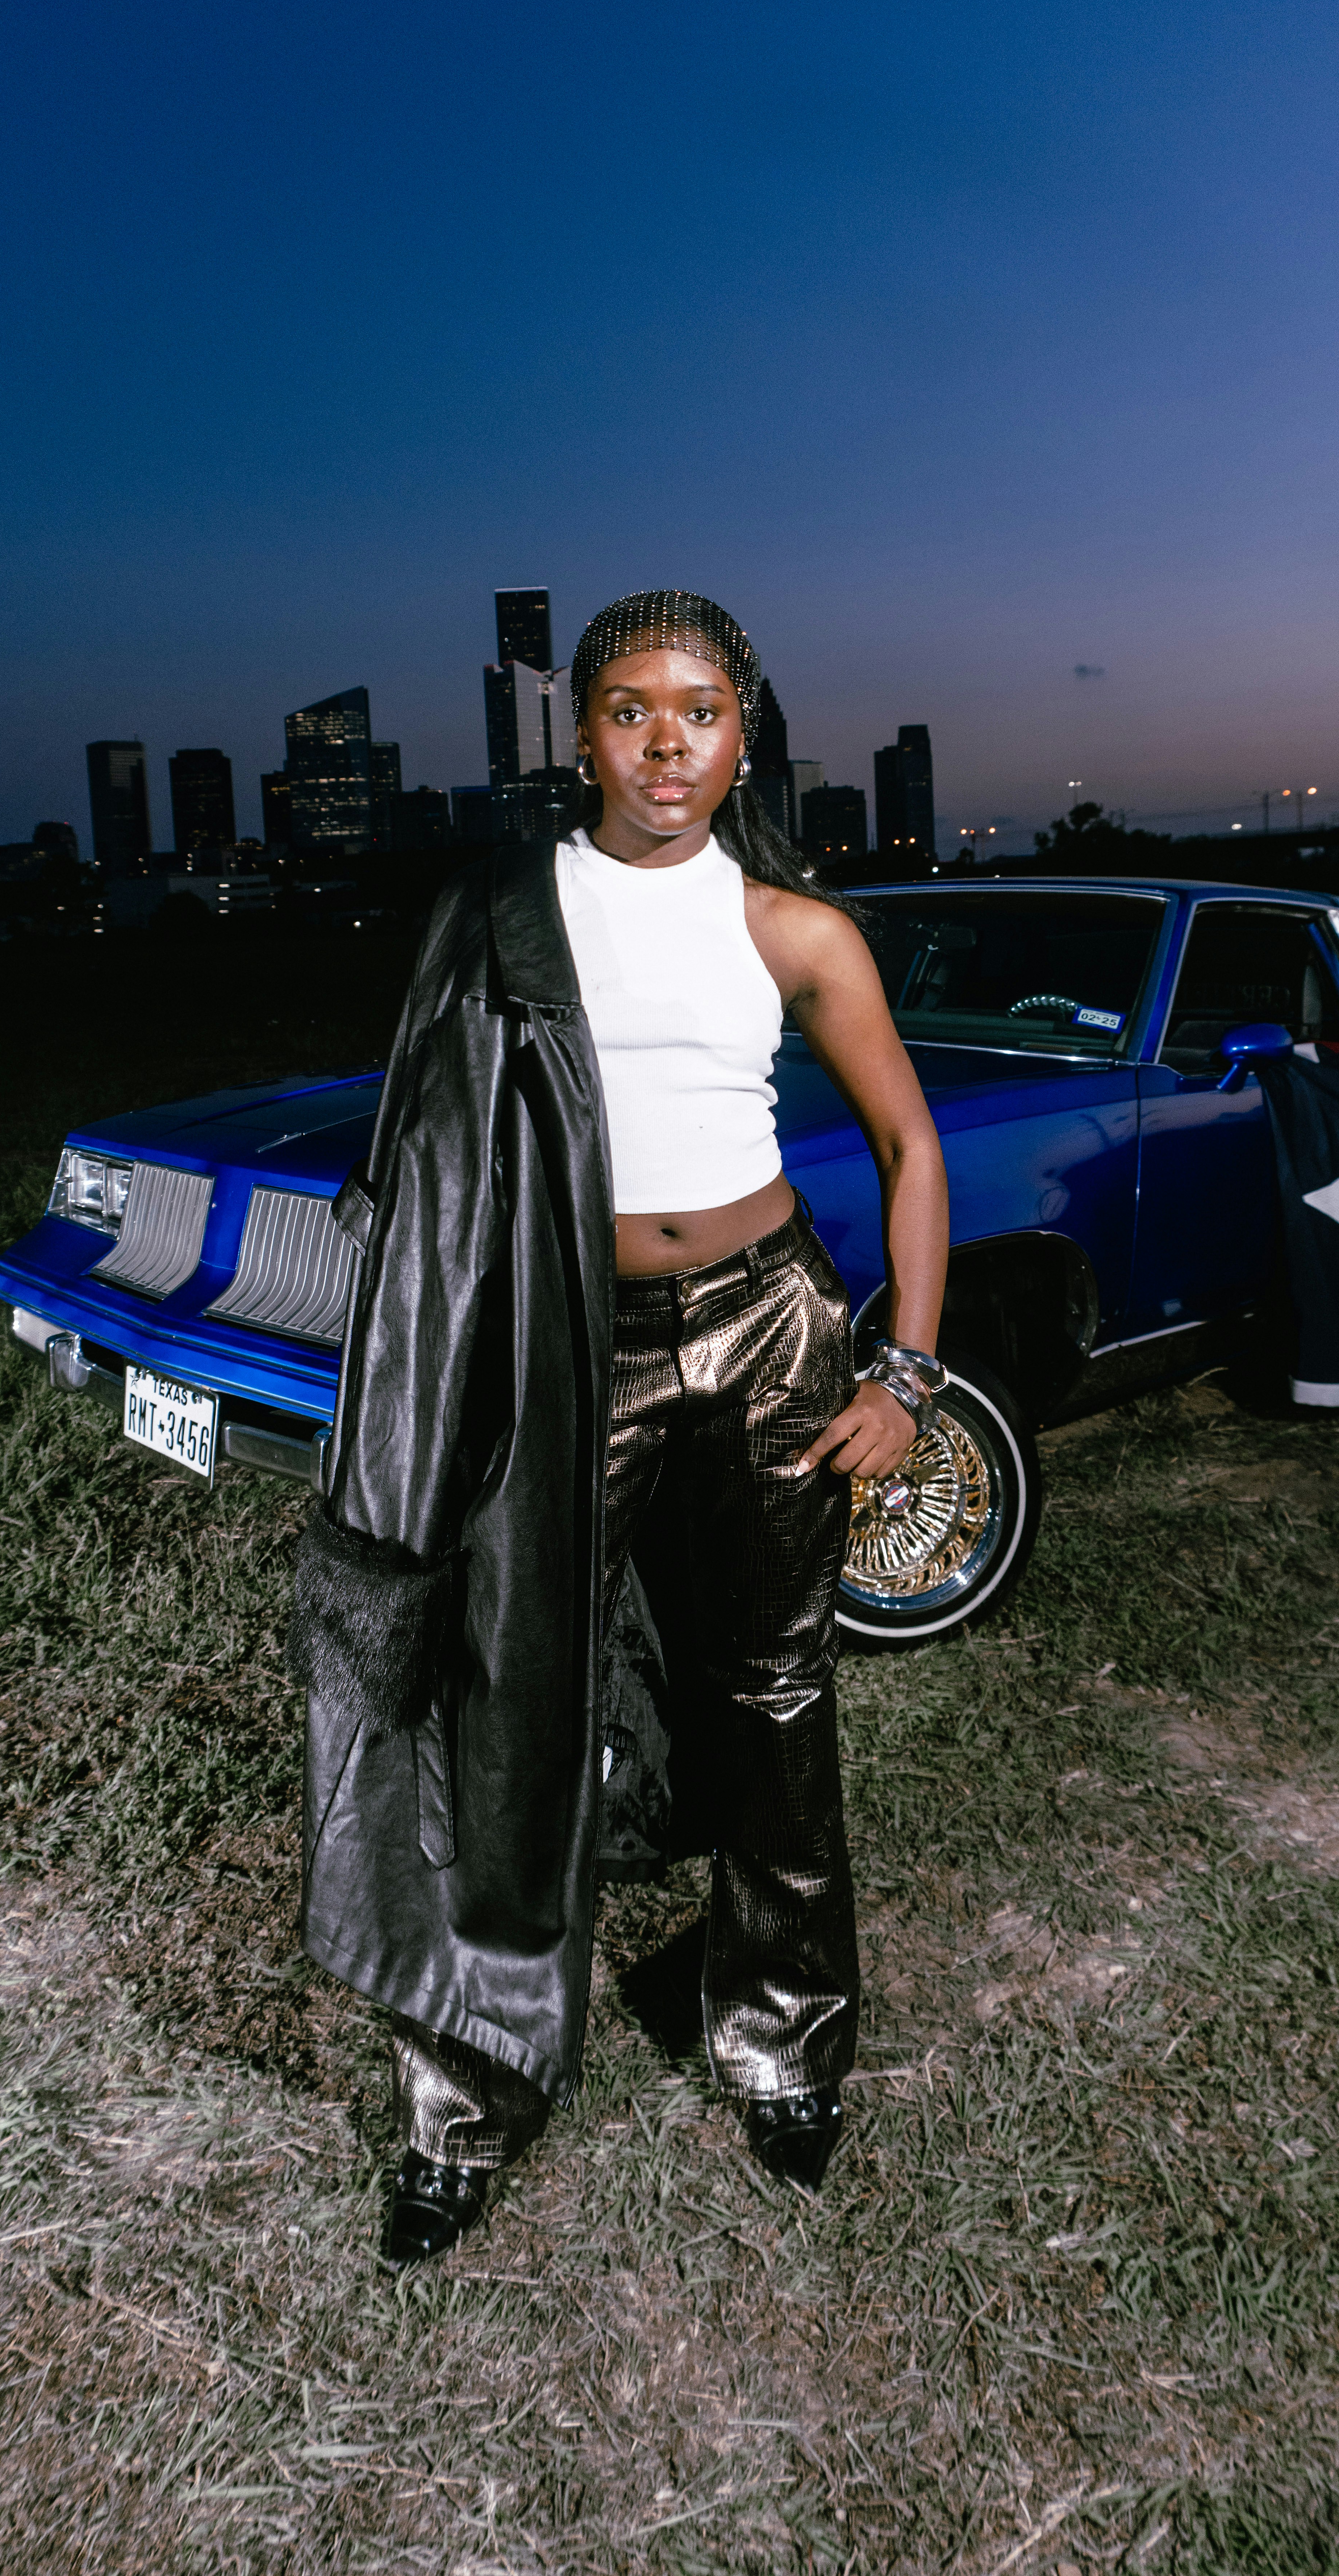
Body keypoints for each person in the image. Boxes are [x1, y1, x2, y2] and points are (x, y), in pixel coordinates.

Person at [288, 591, 949, 2269]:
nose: (671, 744)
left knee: (773, 1697)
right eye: (636, 710)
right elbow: (425, 1159)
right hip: (568, 1347)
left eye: (705, 711)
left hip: (772, 1334)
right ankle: (466, 2097)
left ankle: (782, 2039)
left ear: (746, 735)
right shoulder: (505, 913)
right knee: (510, 1695)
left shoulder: (796, 929)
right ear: (580, 734)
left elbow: (908, 1149)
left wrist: (909, 1376)